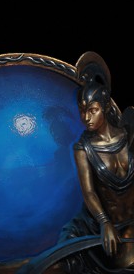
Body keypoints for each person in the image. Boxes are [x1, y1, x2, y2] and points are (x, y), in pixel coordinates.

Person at [70, 53, 133, 272]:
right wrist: (105, 222)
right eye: (82, 111)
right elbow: (89, 192)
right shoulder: (83, 148)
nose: (86, 118)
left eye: (92, 110)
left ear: (105, 107)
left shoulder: (129, 135)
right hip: (106, 226)